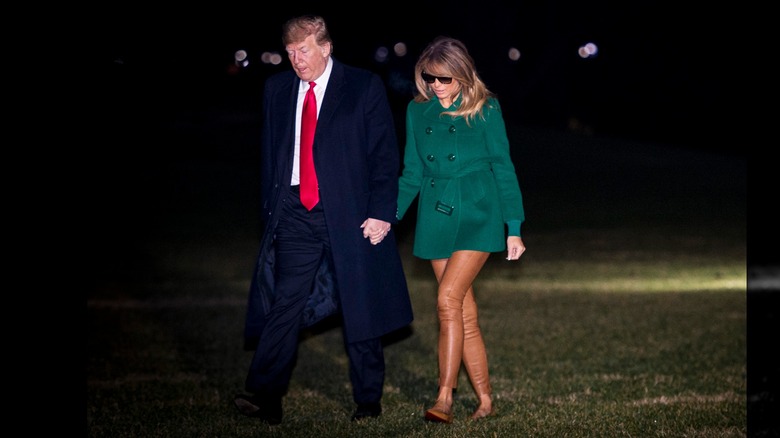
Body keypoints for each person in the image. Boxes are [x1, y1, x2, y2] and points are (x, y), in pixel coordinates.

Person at [234, 15, 413, 425]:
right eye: (290, 53)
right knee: (285, 303)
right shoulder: (276, 90)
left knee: (359, 305)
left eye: (304, 51)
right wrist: (271, 211)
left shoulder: (363, 87)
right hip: (295, 212)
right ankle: (266, 396)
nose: (297, 61)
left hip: (350, 214)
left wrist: (381, 212)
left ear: (326, 47)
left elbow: (385, 157)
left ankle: (368, 400)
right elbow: (269, 156)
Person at [395, 36, 526, 423]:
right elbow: (412, 172)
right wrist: (390, 216)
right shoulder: (417, 112)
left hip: (478, 212)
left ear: (463, 77)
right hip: (436, 215)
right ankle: (485, 400)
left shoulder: (486, 109)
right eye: (428, 77)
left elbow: (504, 167)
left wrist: (513, 228)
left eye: (444, 79)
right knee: (464, 314)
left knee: (447, 301)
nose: (435, 86)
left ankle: (444, 398)